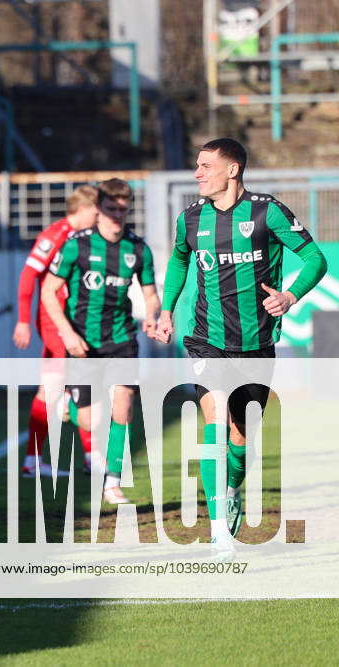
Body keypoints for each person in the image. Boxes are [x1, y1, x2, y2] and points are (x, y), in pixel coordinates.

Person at [153, 138, 326, 560]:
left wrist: (289, 296)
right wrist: (165, 309)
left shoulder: (268, 211)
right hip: (205, 340)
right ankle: (218, 532)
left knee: (240, 437)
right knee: (213, 419)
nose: (198, 173)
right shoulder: (191, 219)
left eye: (206, 166)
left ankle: (230, 491)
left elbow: (316, 259)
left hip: (256, 344)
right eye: (197, 165)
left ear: (232, 171)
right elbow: (179, 260)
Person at [41, 178, 160, 504]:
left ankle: (112, 481)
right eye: (110, 209)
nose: (117, 216)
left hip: (122, 339)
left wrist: (152, 315)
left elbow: (151, 294)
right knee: (91, 420)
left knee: (123, 408)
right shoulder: (76, 245)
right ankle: (67, 402)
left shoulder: (137, 248)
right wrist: (67, 332)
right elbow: (48, 290)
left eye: (123, 210)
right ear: (99, 208)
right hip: (83, 341)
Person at [12, 185, 99, 478]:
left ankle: (33, 461)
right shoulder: (54, 236)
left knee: (50, 391)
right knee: (78, 386)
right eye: (96, 210)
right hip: (55, 323)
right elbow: (28, 276)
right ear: (84, 209)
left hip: (75, 321)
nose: (99, 216)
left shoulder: (86, 238)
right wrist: (23, 321)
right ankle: (90, 455)